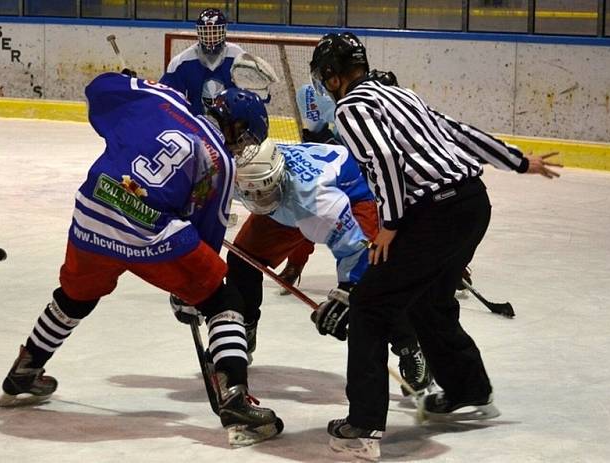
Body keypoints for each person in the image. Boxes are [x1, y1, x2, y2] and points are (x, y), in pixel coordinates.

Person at [309, 32, 561, 460]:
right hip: (472, 204)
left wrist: (389, 224)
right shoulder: (401, 95)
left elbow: (385, 160)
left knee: (370, 305)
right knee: (428, 300)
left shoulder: (351, 108)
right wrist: (519, 161)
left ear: (333, 78)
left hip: (435, 213)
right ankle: (470, 391)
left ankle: (364, 425)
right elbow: (460, 133)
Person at [0, 74, 282, 447]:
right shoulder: (221, 164)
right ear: (239, 130)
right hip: (149, 232)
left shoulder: (162, 100)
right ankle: (236, 399)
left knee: (76, 296)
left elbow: (99, 89)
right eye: (246, 139)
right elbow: (206, 237)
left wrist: (136, 85)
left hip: (93, 210)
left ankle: (25, 368)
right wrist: (190, 294)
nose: (242, 148)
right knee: (222, 300)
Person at [225, 137, 434, 397]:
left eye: (261, 193)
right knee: (242, 260)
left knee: (372, 284)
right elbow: (202, 206)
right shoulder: (242, 175)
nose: (257, 200)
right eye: (251, 194)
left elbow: (354, 255)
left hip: (353, 198)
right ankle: (242, 330)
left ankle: (409, 348)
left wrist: (345, 296)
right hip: (288, 201)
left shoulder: (317, 203)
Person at [276, 73, 399, 294]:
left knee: (370, 233)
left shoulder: (396, 126)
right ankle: (295, 263)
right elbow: (317, 135)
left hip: (365, 185)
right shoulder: (322, 98)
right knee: (307, 211)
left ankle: (440, 266)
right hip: (334, 171)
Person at [160, 8, 247, 115]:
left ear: (223, 31)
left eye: (215, 32)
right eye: (206, 32)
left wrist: (260, 94)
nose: (210, 37)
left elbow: (248, 101)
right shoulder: (181, 62)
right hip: (196, 127)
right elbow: (167, 100)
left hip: (230, 128)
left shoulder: (238, 57)